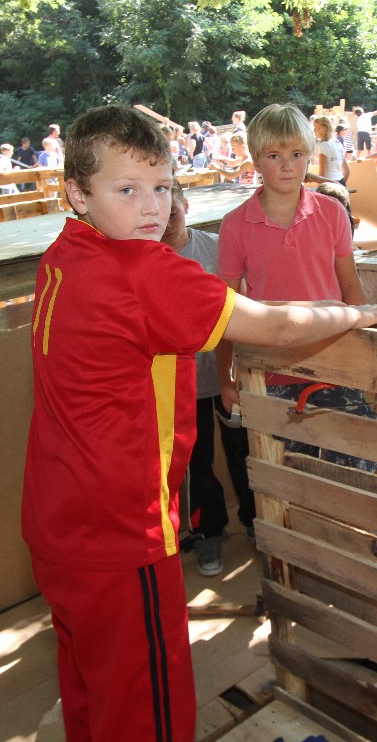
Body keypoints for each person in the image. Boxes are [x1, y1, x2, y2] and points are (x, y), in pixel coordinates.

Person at [24, 105, 377, 742]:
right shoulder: (141, 271)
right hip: (121, 532)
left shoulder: (63, 255)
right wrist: (354, 314)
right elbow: (273, 324)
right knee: (147, 711)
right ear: (77, 193)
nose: (151, 208)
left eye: (162, 187)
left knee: (92, 692)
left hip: (56, 521)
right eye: (126, 190)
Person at [216, 104, 377, 473]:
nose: (287, 165)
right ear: (255, 160)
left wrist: (365, 357)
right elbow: (225, 309)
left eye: (296, 154)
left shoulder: (332, 212)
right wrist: (226, 379)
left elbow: (350, 285)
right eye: (274, 156)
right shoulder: (234, 225)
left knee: (356, 467)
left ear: (310, 154)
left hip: (335, 364)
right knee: (289, 475)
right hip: (270, 370)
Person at [161, 179, 254, 576]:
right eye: (159, 214)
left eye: (173, 212)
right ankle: (208, 532)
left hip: (228, 374)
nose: (167, 222)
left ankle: (255, 522)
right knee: (195, 462)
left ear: (185, 206)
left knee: (243, 452)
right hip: (180, 385)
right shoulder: (146, 261)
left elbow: (243, 306)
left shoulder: (216, 249)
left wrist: (232, 374)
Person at [306, 116, 348, 185]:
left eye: (316, 128)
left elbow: (322, 174)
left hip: (329, 183)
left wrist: (320, 188)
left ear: (323, 129)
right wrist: (341, 186)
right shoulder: (338, 143)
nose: (314, 130)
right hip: (341, 181)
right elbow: (347, 171)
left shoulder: (323, 145)